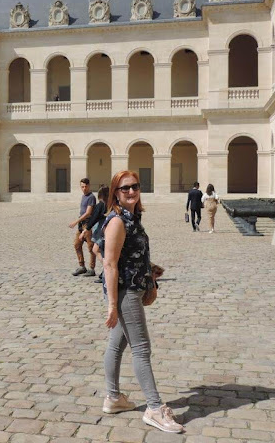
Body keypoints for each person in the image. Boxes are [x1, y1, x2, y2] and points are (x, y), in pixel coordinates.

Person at [102, 170, 184, 434]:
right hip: (125, 292)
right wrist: (112, 304)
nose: (131, 191)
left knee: (117, 344)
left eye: (135, 186)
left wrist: (149, 272)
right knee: (141, 347)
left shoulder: (132, 218)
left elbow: (126, 255)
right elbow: (109, 263)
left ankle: (114, 398)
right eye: (125, 188)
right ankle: (154, 409)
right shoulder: (117, 221)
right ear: (115, 193)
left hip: (133, 287)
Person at [80, 186, 109, 281]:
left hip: (101, 231)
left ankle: (107, 270)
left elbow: (94, 218)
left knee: (96, 249)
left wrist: (85, 230)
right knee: (102, 251)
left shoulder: (101, 205)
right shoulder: (111, 204)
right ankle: (105, 271)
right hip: (108, 231)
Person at [69, 178, 97, 276]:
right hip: (81, 225)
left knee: (91, 247)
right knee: (77, 244)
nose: (84, 188)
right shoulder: (83, 196)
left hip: (88, 225)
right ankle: (82, 266)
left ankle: (92, 269)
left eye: (85, 186)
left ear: (89, 186)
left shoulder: (91, 197)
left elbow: (88, 213)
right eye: (82, 187)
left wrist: (75, 222)